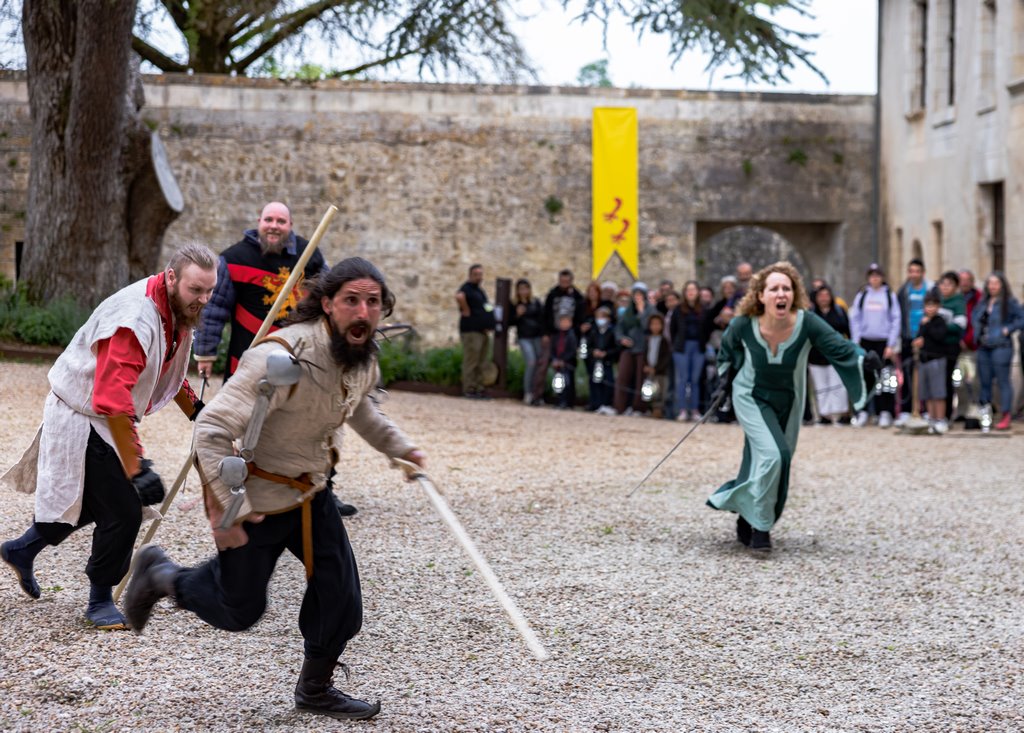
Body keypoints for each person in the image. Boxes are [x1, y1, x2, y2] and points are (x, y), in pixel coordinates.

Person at [123, 257, 425, 721]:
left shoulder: (360, 356)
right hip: (257, 501)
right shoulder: (286, 357)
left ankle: (315, 690)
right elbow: (211, 431)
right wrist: (224, 510)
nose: (363, 311)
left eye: (373, 302)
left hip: (312, 496)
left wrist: (402, 449)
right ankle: (162, 576)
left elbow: (358, 406)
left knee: (341, 601)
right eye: (351, 300)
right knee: (237, 609)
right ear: (326, 303)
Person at [1, 244, 216, 629]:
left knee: (84, 503)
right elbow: (111, 398)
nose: (203, 299)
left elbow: (165, 369)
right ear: (171, 278)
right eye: (195, 290)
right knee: (124, 510)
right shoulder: (135, 318)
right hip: (85, 415)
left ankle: (20, 550)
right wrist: (137, 467)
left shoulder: (175, 315)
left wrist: (198, 412)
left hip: (104, 415)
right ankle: (99, 600)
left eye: (209, 291)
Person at [706, 262, 871, 552]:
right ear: (760, 295)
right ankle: (761, 527)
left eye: (787, 288)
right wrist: (724, 381)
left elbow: (838, 346)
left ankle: (746, 515)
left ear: (793, 294)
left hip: (790, 401)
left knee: (768, 460)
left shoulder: (806, 322)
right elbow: (727, 353)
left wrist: (864, 359)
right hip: (750, 396)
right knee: (774, 454)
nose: (781, 293)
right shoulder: (743, 324)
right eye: (774, 288)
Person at [194, 202, 328, 380]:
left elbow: (329, 301)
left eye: (281, 221)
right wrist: (205, 354)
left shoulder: (310, 255)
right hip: (246, 356)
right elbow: (213, 310)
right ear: (259, 222)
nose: (274, 225)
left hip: (297, 357)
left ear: (290, 225)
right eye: (269, 220)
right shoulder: (234, 259)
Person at [848, 263, 901, 428]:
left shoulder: (889, 296)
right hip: (866, 341)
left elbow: (895, 319)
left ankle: (885, 412)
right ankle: (863, 411)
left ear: (882, 277)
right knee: (865, 378)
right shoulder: (862, 295)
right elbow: (855, 318)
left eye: (878, 275)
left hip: (883, 342)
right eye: (872, 275)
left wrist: (891, 344)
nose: (875, 278)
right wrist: (856, 340)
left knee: (886, 377)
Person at [973, 272, 1024, 431]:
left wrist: (1007, 329)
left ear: (1002, 285)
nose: (993, 286)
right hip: (983, 346)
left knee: (1003, 381)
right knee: (984, 383)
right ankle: (986, 417)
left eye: (996, 283)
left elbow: (1021, 319)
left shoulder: (1009, 302)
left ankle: (1006, 415)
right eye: (990, 283)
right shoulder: (983, 303)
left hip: (1001, 346)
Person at [534, 269, 585, 399]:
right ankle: (537, 395)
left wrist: (577, 335)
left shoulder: (577, 297)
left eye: (567, 281)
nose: (564, 283)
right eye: (562, 281)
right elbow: (545, 315)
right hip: (553, 334)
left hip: (570, 336)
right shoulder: (552, 295)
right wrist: (545, 333)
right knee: (544, 364)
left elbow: (580, 317)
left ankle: (568, 398)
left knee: (568, 366)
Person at [895, 259, 934, 426]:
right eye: (911, 271)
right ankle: (906, 409)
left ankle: (924, 410)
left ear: (923, 272)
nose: (914, 274)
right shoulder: (903, 291)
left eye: (917, 271)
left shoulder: (931, 289)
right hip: (907, 337)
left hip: (926, 338)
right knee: (907, 374)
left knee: (926, 375)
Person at [808, 284, 852, 425]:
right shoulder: (811, 314)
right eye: (821, 296)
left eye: (826, 295)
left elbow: (848, 331)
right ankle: (824, 415)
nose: (824, 298)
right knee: (821, 386)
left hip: (836, 355)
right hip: (816, 355)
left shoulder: (839, 312)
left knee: (837, 385)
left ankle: (841, 413)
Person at [912, 292, 954, 434]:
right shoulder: (923, 322)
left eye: (933, 305)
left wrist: (927, 325)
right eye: (927, 305)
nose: (930, 308)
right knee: (927, 393)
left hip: (937, 360)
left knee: (938, 392)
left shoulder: (939, 321)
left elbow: (939, 336)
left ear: (938, 306)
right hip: (924, 360)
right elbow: (920, 336)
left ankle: (941, 419)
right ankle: (931, 418)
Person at [613, 283, 654, 415]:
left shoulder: (650, 310)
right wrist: (621, 339)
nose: (638, 298)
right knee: (623, 376)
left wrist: (642, 312)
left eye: (640, 295)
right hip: (629, 348)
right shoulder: (628, 311)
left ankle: (639, 407)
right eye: (635, 295)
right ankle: (620, 406)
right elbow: (620, 328)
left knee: (640, 379)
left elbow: (648, 327)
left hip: (643, 348)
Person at [455, 263, 495, 399]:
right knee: (471, 360)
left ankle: (478, 387)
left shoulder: (479, 290)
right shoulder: (467, 288)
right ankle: (469, 388)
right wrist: (465, 309)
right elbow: (459, 296)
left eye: (480, 274)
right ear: (470, 275)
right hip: (471, 330)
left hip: (481, 331)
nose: (479, 277)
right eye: (476, 274)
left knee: (481, 361)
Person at [669, 281, 707, 421]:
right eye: (688, 290)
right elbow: (672, 329)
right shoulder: (678, 309)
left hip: (698, 346)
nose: (691, 292)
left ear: (698, 292)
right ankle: (682, 410)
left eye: (693, 289)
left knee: (695, 380)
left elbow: (706, 328)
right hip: (682, 347)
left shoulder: (703, 309)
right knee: (683, 379)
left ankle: (695, 409)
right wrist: (675, 345)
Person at [935, 271, 967, 420]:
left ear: (955, 286)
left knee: (947, 380)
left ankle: (946, 414)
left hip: (950, 346)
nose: (945, 287)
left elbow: (960, 325)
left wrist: (940, 327)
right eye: (943, 284)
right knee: (937, 380)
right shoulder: (937, 300)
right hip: (936, 347)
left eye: (949, 284)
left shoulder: (958, 302)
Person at [509, 278, 544, 405]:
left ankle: (537, 393)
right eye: (521, 289)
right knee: (531, 362)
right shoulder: (514, 305)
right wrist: (517, 315)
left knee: (539, 365)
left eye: (526, 288)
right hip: (524, 337)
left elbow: (542, 319)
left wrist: (544, 335)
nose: (523, 291)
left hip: (537, 337)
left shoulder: (536, 303)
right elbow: (509, 322)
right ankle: (528, 392)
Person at [585, 305, 618, 414]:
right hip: (595, 362)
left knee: (608, 383)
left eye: (603, 316)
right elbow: (588, 346)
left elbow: (616, 348)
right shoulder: (593, 331)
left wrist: (606, 353)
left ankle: (606, 404)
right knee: (594, 383)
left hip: (607, 362)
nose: (600, 319)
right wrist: (593, 352)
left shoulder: (613, 331)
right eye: (598, 316)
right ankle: (595, 404)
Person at [642, 312, 672, 418]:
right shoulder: (647, 339)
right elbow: (645, 354)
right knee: (648, 390)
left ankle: (659, 410)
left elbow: (666, 358)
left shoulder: (664, 341)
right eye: (653, 324)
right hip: (649, 369)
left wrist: (657, 368)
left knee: (660, 391)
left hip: (660, 372)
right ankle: (649, 409)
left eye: (658, 324)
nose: (655, 327)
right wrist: (646, 366)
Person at [549, 313, 578, 409]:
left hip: (568, 363)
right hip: (557, 362)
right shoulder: (556, 335)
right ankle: (559, 400)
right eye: (562, 322)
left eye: (566, 322)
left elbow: (572, 351)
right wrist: (554, 359)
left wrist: (564, 360)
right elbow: (552, 349)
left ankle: (567, 402)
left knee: (568, 383)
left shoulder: (572, 335)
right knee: (558, 382)